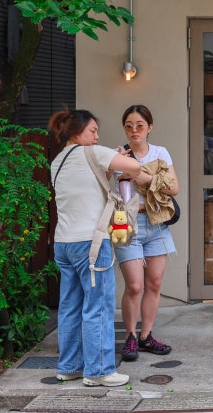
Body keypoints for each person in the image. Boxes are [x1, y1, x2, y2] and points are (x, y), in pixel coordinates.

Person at [48, 109, 152, 387]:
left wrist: (110, 160)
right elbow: (132, 168)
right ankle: (99, 371)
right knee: (99, 307)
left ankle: (69, 367)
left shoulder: (57, 161)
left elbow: (88, 181)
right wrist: (121, 158)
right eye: (92, 130)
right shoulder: (93, 152)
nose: (96, 136)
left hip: (64, 244)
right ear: (76, 132)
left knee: (70, 306)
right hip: (92, 243)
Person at [115, 105, 178, 361]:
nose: (134, 130)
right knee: (134, 285)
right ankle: (130, 336)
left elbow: (173, 188)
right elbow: (116, 182)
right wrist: (119, 164)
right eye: (129, 125)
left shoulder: (161, 152)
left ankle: (146, 336)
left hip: (157, 224)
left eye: (140, 125)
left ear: (149, 127)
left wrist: (145, 178)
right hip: (128, 224)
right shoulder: (119, 154)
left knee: (154, 283)